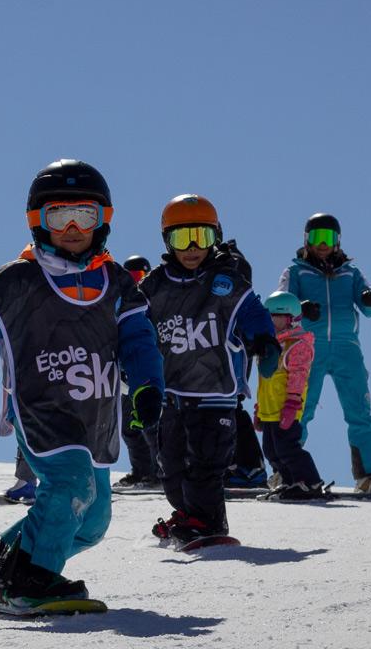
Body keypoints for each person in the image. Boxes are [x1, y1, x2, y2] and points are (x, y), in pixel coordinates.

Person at [0, 159, 165, 609]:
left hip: (95, 416)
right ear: (37, 222)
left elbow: (140, 341)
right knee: (69, 486)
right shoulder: (18, 281)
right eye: (57, 216)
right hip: (43, 408)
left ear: (102, 221)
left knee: (92, 519)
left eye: (83, 215)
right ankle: (33, 579)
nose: (70, 227)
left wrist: (147, 386)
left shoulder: (117, 283)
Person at [139, 194, 279, 546]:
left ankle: (209, 520)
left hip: (215, 395)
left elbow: (253, 312)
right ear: (166, 241)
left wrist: (265, 340)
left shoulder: (225, 282)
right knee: (169, 468)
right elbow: (132, 323)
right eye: (180, 239)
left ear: (214, 236)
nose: (191, 249)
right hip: (172, 396)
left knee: (205, 466)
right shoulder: (155, 286)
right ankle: (187, 514)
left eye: (200, 237)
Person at [278, 213, 371, 492]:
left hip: (346, 348)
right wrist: (301, 306)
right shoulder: (296, 271)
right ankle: (285, 472)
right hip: (307, 347)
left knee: (360, 411)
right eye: (317, 237)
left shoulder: (350, 273)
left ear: (338, 242)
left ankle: (370, 476)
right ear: (306, 241)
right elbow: (280, 304)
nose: (323, 244)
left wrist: (370, 299)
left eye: (328, 238)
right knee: (299, 408)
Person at [254, 291, 327, 500]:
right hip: (269, 409)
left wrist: (292, 403)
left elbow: (298, 375)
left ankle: (309, 482)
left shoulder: (298, 344)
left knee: (288, 448)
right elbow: (265, 381)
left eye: (278, 318)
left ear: (291, 319)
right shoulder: (270, 345)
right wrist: (259, 408)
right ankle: (289, 481)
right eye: (270, 318)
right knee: (271, 451)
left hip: (286, 408)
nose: (273, 322)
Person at [115, 255, 162, 489]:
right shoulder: (122, 299)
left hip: (145, 372)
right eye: (132, 277)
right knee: (129, 427)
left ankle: (158, 471)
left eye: (140, 277)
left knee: (150, 424)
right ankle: (141, 471)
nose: (137, 282)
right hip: (124, 374)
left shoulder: (151, 301)